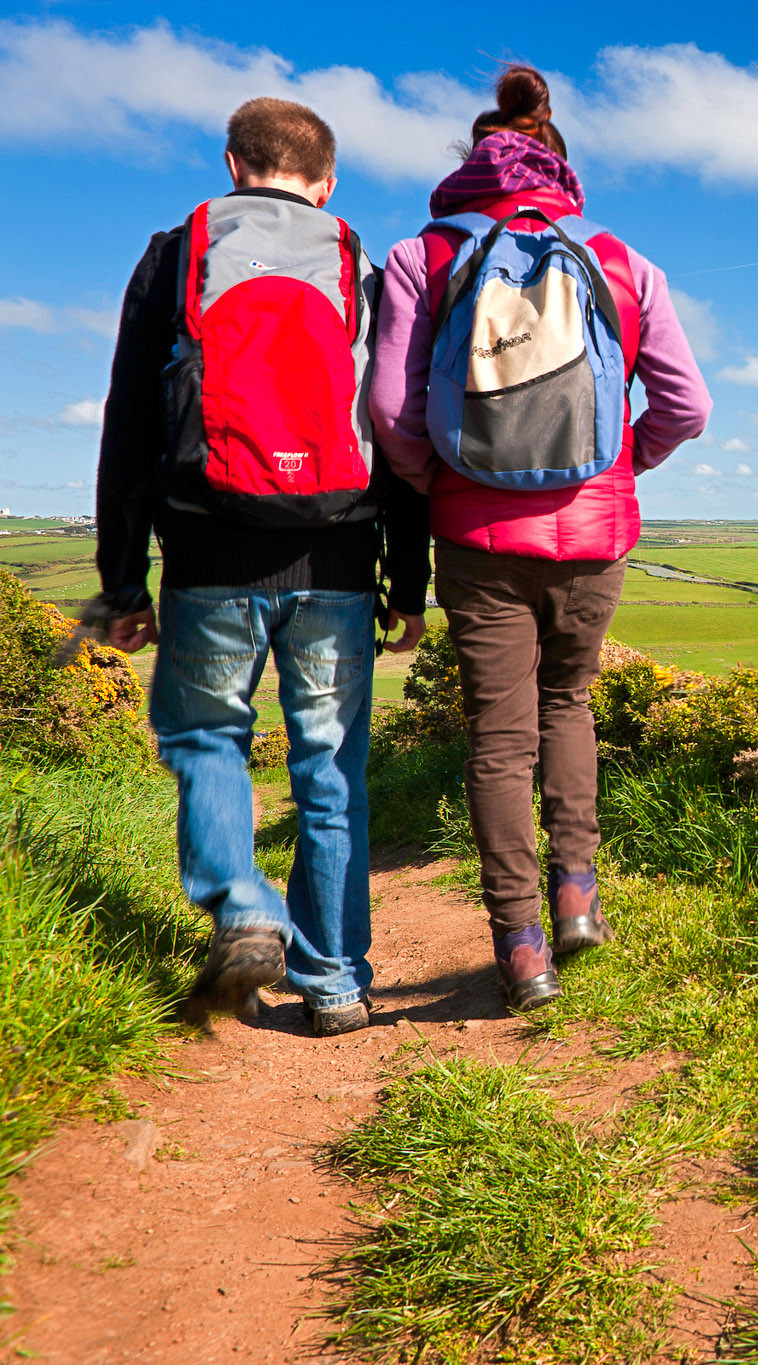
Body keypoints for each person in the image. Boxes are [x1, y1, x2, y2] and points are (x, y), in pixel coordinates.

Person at [369, 66, 710, 1011]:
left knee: (497, 739)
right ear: (560, 168)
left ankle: (521, 950)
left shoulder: (423, 257)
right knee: (569, 706)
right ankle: (578, 900)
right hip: (597, 536)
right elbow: (687, 405)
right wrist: (619, 465)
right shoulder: (620, 260)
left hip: (477, 540)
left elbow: (393, 416)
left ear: (475, 164)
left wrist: (447, 482)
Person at [96, 97, 430, 1038]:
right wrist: (409, 582)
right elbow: (396, 433)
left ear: (235, 164)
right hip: (336, 552)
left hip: (206, 548)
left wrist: (122, 578)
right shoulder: (361, 264)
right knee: (332, 768)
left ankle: (243, 904)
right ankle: (332, 982)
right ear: (326, 184)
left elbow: (129, 422)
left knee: (207, 741)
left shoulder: (178, 254)